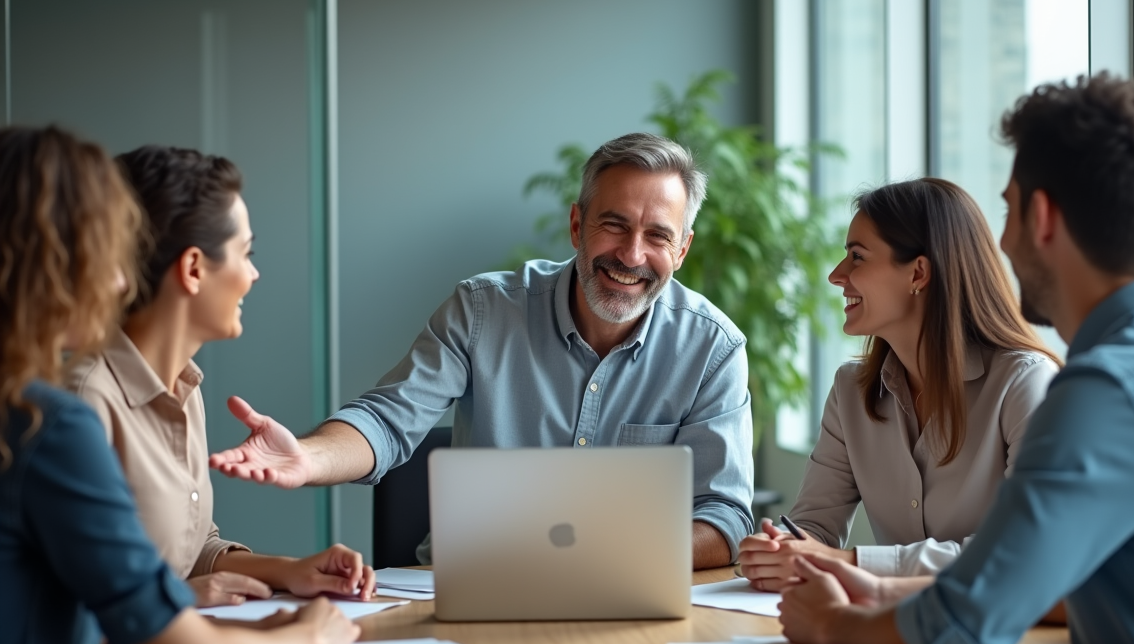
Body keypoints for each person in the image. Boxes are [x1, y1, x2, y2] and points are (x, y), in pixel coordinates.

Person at [778, 73, 1134, 644]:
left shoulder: (1101, 396)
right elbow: (1056, 590)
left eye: (1006, 211)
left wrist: (831, 619)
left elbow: (960, 636)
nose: (999, 243)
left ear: (1041, 217)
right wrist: (884, 589)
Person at [210, 132, 754, 568]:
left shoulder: (713, 348)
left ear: (680, 250)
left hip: (631, 588)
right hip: (470, 586)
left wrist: (607, 558)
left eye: (657, 236)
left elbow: (725, 515)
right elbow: (388, 419)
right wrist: (307, 458)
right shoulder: (483, 310)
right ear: (576, 226)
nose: (631, 254)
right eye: (613, 225)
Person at [0, 126, 359, 644]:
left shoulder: (46, 410)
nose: (119, 282)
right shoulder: (54, 420)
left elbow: (173, 552)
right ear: (55, 264)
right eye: (105, 253)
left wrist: (281, 574)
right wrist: (310, 636)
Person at [64, 145, 375, 608]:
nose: (253, 274)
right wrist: (181, 598)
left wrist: (290, 570)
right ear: (193, 269)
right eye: (244, 253)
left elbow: (186, 550)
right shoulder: (84, 402)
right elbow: (65, 602)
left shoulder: (183, 387)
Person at [738, 178, 1060, 589]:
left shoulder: (1026, 384)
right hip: (883, 629)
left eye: (857, 257)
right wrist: (783, 551)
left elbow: (1021, 553)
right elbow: (814, 527)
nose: (837, 276)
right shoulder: (850, 391)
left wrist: (848, 561)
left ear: (918, 272)